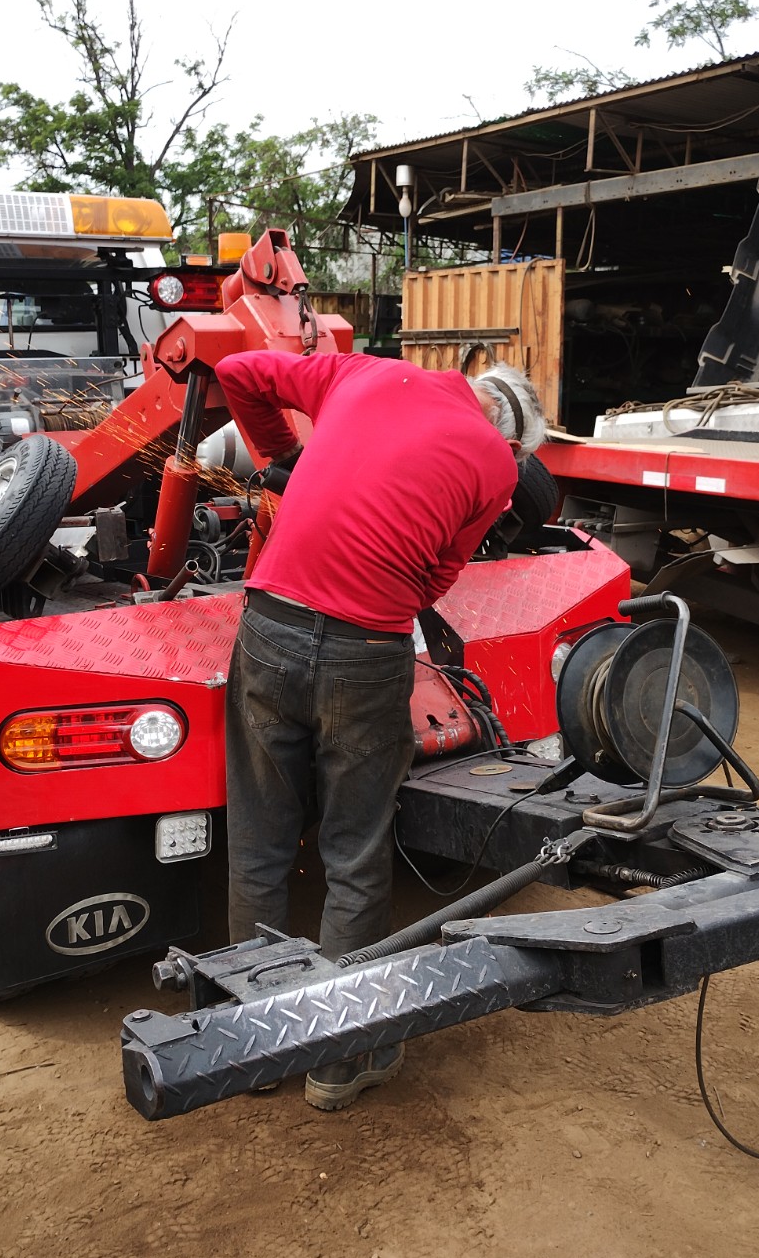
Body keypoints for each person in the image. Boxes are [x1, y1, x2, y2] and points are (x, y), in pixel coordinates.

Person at [214, 348, 546, 1110]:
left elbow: (237, 371)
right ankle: (337, 1061)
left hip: (269, 627)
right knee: (354, 852)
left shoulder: (357, 372)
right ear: (512, 440)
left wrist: (288, 460)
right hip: (367, 652)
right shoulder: (494, 467)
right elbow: (436, 578)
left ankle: (254, 1051)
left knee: (259, 842)